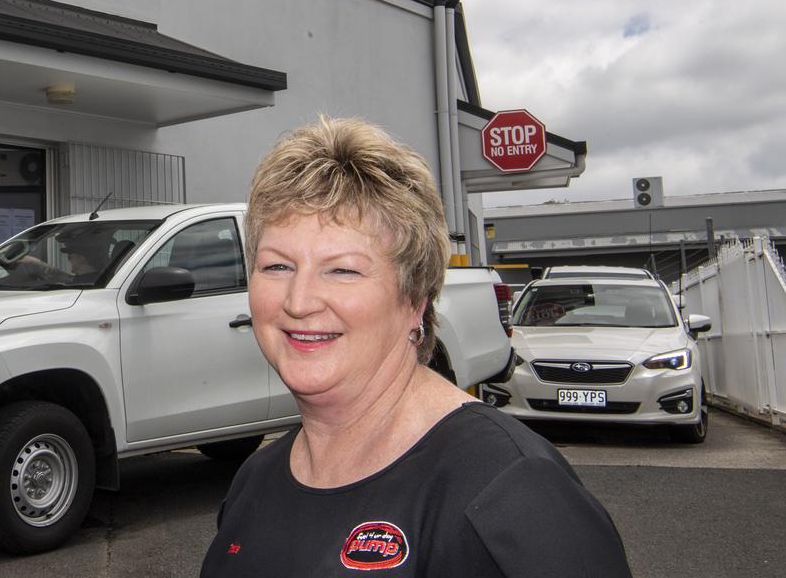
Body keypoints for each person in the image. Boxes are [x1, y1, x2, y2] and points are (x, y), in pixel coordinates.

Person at [200, 117, 631, 577]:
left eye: (343, 270)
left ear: (414, 300)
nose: (299, 301)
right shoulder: (256, 480)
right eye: (277, 266)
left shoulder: (513, 488)